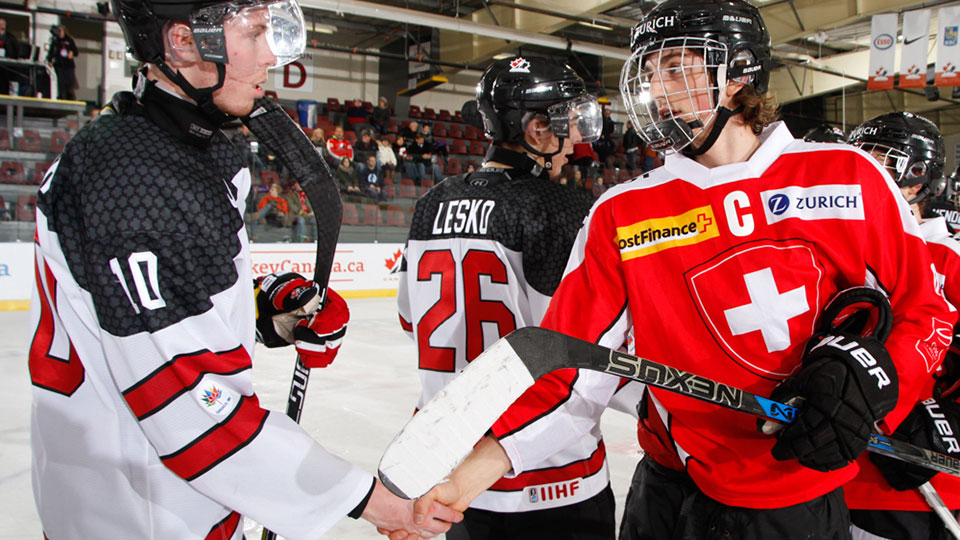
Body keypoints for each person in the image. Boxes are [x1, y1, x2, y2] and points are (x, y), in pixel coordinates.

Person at [401, 2, 953, 540]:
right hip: (668, 490)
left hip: (795, 496)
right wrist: (465, 479)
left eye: (673, 67)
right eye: (647, 71)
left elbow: (924, 313)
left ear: (737, 75)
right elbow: (569, 367)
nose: (655, 90)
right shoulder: (623, 212)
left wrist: (883, 382)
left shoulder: (846, 177)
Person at [29, 0, 461, 537]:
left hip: (178, 498)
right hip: (138, 513)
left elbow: (173, 303)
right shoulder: (136, 182)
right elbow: (189, 409)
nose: (269, 57)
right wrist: (369, 499)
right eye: (253, 34)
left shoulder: (187, 148)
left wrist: (268, 310)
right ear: (184, 42)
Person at [396, 56, 610, 540]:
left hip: (452, 474)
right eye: (567, 120)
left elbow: (411, 320)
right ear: (537, 129)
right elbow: (589, 346)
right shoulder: (560, 207)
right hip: (550, 472)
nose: (576, 137)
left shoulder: (430, 203)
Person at [844, 112, 960, 540]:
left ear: (917, 179)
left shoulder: (948, 258)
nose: (864, 173)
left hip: (913, 486)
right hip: (829, 474)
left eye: (881, 162)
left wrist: (948, 420)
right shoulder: (837, 245)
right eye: (859, 159)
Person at [46, 24, 78, 100]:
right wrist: (49, 60)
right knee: (61, 83)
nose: (59, 33)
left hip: (68, 65)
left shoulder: (69, 40)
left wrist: (72, 53)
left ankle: (70, 97)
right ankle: (61, 97)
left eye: (60, 31)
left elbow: (76, 52)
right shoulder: (55, 41)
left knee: (69, 83)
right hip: (59, 65)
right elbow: (51, 52)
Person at [0, 17, 21, 95]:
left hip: (8, 68)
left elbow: (16, 52)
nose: (1, 26)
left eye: (3, 25)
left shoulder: (11, 38)